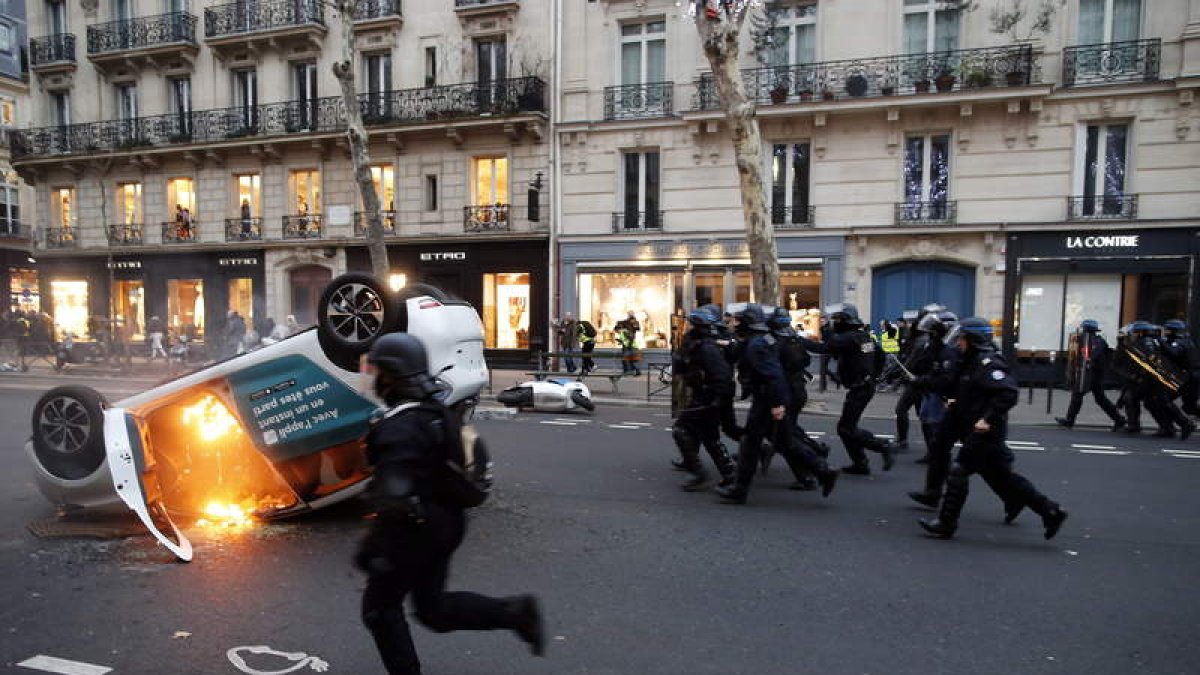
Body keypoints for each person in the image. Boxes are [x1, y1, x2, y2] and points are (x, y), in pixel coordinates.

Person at [355, 333, 545, 675]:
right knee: (433, 609)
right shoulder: (434, 411)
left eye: (378, 370)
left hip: (415, 530)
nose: (373, 378)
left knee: (379, 609)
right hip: (445, 522)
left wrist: (375, 549)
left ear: (393, 374)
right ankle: (515, 613)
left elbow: (394, 496)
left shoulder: (399, 427)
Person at [919, 318, 1069, 541]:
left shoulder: (988, 362)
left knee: (959, 471)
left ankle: (946, 523)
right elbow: (967, 388)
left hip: (985, 431)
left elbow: (1007, 393)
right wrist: (953, 400)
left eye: (962, 338)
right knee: (1003, 477)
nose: (958, 342)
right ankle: (1051, 511)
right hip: (968, 422)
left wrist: (987, 419)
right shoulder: (967, 361)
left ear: (974, 340)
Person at [802, 303, 896, 475]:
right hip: (864, 386)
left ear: (846, 321)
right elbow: (880, 355)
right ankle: (860, 463)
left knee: (846, 428)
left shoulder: (848, 338)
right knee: (846, 428)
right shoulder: (863, 336)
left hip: (860, 389)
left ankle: (882, 446)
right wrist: (874, 376)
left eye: (837, 319)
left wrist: (797, 339)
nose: (834, 322)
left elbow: (823, 348)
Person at [716, 304, 791, 504]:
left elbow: (773, 375)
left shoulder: (756, 344)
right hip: (766, 398)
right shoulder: (761, 339)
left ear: (748, 322)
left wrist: (777, 404)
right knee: (772, 441)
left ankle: (739, 491)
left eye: (738, 320)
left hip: (766, 399)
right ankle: (819, 471)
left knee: (754, 445)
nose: (734, 323)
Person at [764, 307, 840, 495]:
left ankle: (817, 469)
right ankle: (811, 465)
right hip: (797, 390)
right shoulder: (794, 339)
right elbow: (806, 360)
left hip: (785, 393)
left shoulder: (774, 342)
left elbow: (771, 372)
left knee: (785, 437)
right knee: (784, 432)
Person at [671, 306, 737, 491]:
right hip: (707, 394)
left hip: (707, 396)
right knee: (710, 437)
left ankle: (699, 472)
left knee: (682, 429)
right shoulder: (703, 342)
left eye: (692, 323)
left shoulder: (707, 347)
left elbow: (721, 375)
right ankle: (729, 474)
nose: (688, 327)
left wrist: (715, 399)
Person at [1055, 320, 1126, 431]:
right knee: (1099, 399)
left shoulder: (1089, 342)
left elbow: (1088, 357)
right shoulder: (1099, 340)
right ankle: (1119, 419)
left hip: (1091, 374)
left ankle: (1069, 421)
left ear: (1086, 330)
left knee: (1078, 395)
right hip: (1097, 374)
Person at [894, 304, 945, 452]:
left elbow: (914, 361)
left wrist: (903, 374)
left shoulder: (924, 340)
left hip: (918, 381)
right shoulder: (925, 338)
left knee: (904, 409)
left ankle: (906, 441)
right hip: (920, 381)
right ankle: (931, 448)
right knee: (922, 415)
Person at [1160, 319, 1200, 417]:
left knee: (1187, 407)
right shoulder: (1186, 341)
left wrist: (1160, 341)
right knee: (1165, 400)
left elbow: (1174, 353)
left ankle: (1183, 425)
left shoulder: (1180, 342)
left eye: (1168, 330)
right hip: (1186, 377)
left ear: (1174, 331)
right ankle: (1179, 425)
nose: (1165, 332)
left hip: (1188, 379)